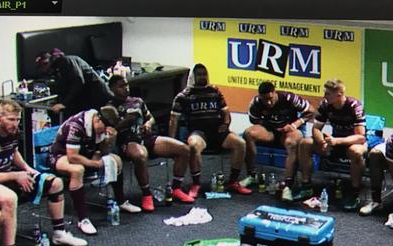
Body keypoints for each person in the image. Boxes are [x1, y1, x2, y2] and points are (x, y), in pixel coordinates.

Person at [0, 100, 87, 246]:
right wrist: (16, 176)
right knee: (9, 199)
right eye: (10, 119)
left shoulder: (13, 132)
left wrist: (27, 169)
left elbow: (13, 152)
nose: (15, 124)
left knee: (55, 183)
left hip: (11, 176)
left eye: (17, 120)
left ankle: (59, 233)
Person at [106, 75, 193, 211]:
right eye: (121, 86)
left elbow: (151, 118)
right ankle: (146, 194)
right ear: (112, 88)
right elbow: (111, 130)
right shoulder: (109, 107)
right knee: (140, 155)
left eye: (127, 85)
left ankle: (176, 188)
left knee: (184, 149)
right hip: (127, 141)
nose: (126, 88)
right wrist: (127, 121)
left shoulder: (137, 101)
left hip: (147, 137)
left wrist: (148, 124)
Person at [49, 107, 141, 235]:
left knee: (117, 160)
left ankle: (121, 201)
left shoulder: (100, 127)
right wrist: (94, 163)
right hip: (61, 155)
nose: (103, 131)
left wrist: (109, 141)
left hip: (85, 153)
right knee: (77, 170)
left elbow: (104, 151)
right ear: (97, 120)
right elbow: (72, 156)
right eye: (103, 129)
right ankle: (83, 219)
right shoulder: (77, 125)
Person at [168, 63, 251, 198]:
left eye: (204, 74)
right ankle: (196, 184)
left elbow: (226, 112)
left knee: (240, 143)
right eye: (199, 75)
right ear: (193, 77)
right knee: (193, 145)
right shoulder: (183, 96)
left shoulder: (215, 91)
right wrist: (171, 142)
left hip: (217, 131)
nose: (202, 77)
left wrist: (226, 123)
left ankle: (233, 181)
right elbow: (173, 120)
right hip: (199, 132)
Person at [298, 79, 367, 209]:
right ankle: (306, 185)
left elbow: (360, 137)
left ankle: (354, 192)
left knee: (356, 151)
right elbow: (316, 128)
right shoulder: (325, 104)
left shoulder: (355, 106)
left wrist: (337, 141)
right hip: (334, 141)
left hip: (351, 142)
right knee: (305, 143)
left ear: (339, 95)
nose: (324, 96)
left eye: (328, 94)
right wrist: (322, 142)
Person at [241, 81, 314, 199]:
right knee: (248, 134)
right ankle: (252, 175)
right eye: (265, 100)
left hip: (290, 130)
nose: (268, 102)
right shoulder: (256, 102)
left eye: (270, 98)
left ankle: (287, 185)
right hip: (271, 130)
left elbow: (311, 111)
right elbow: (254, 120)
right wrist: (270, 126)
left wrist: (294, 125)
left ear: (274, 92)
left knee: (291, 143)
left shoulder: (289, 97)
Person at [35, 48, 113, 119]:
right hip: (89, 97)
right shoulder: (57, 68)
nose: (44, 69)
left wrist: (64, 103)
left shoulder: (65, 61)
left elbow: (78, 81)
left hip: (97, 95)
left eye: (44, 65)